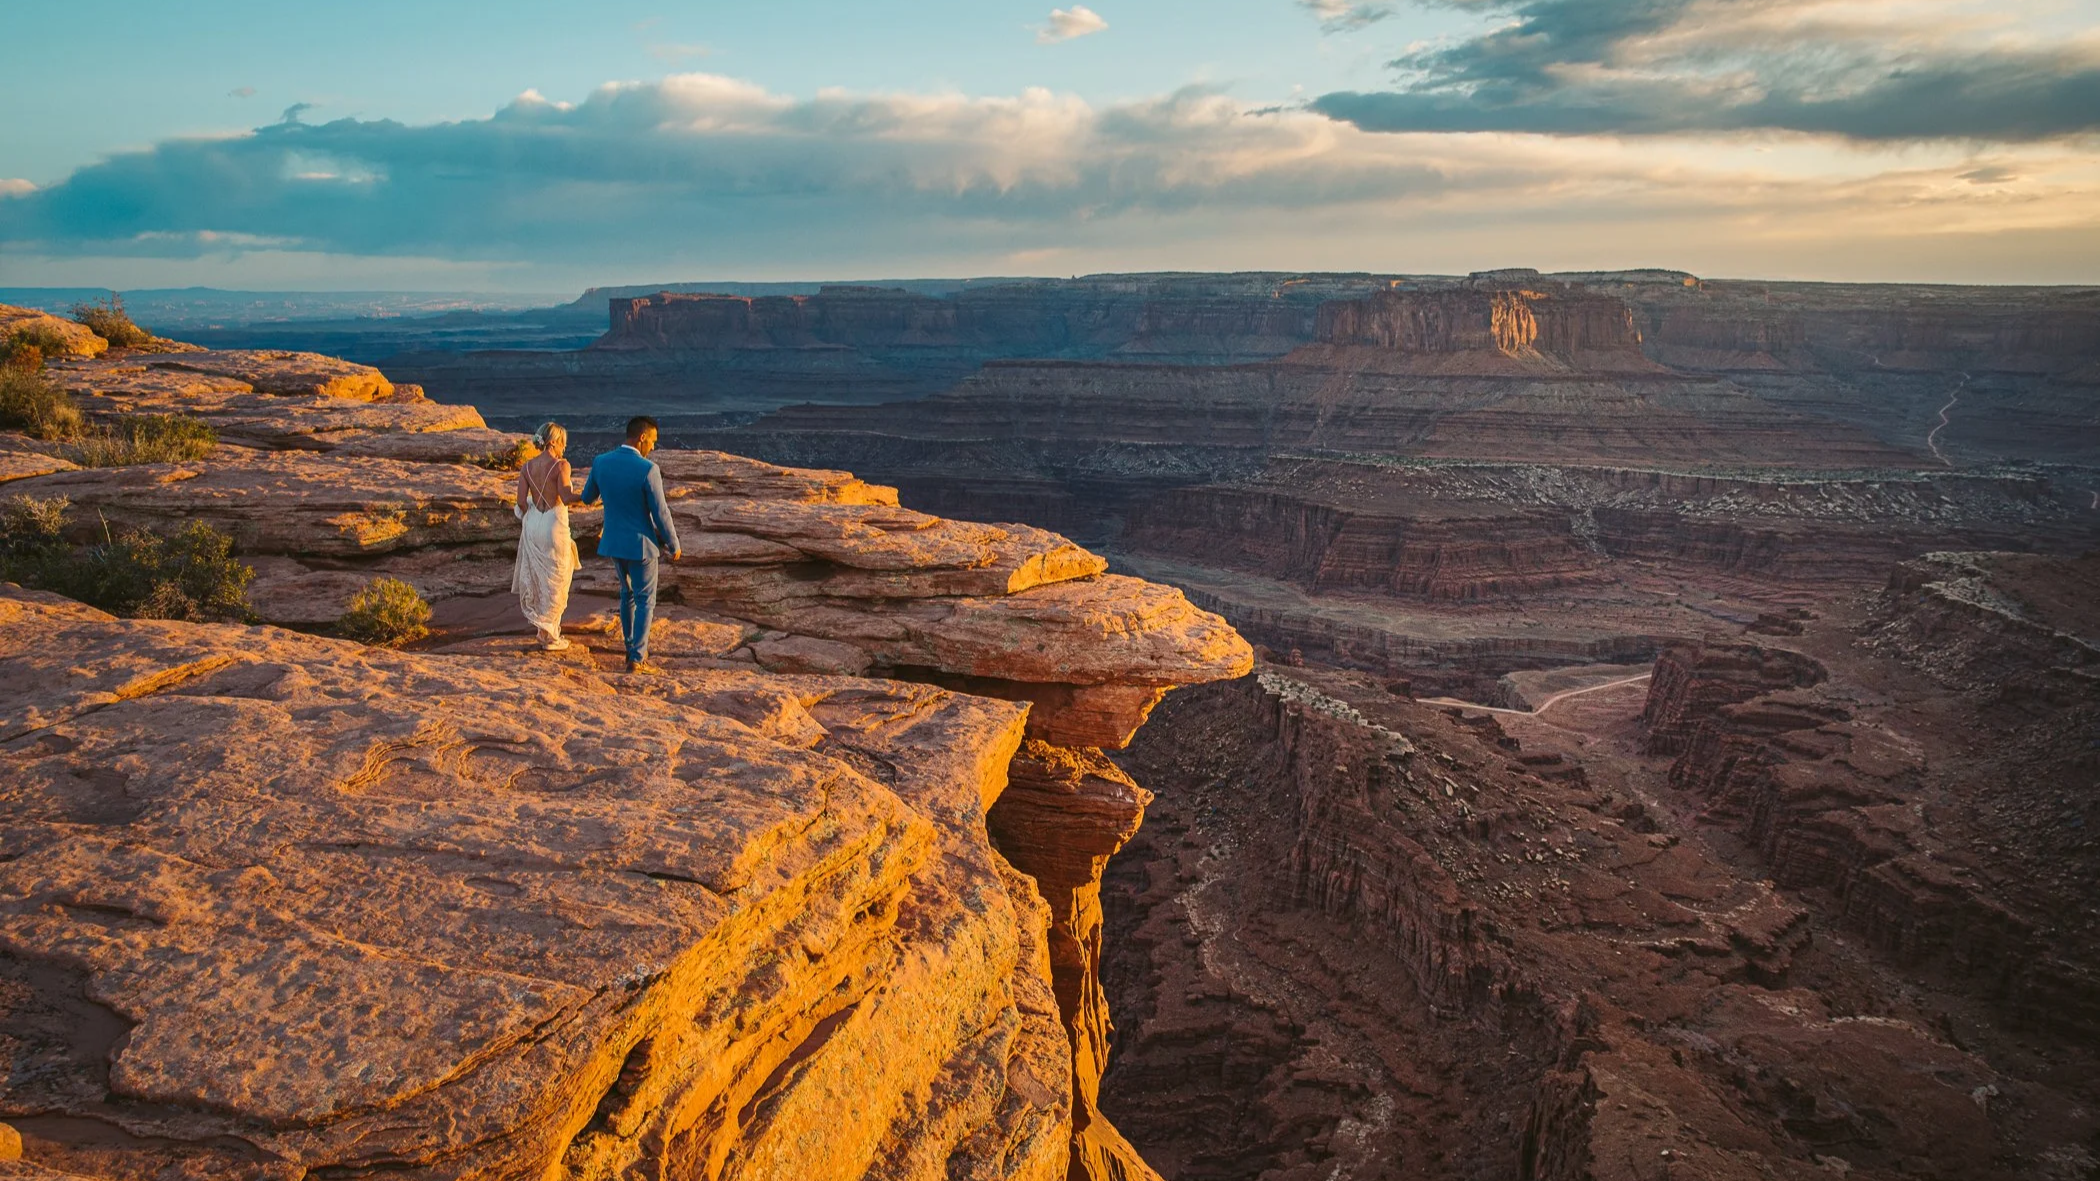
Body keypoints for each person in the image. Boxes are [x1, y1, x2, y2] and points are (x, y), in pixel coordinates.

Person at [580, 415, 682, 673]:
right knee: (646, 599)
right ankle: (637, 657)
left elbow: (587, 497)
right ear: (642, 438)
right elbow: (661, 512)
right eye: (653, 441)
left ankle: (629, 648)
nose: (654, 448)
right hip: (642, 547)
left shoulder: (601, 462)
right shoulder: (648, 469)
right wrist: (673, 543)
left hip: (614, 543)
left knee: (627, 595)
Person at [510, 422, 581, 651]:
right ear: (553, 442)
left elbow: (521, 502)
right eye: (562, 443)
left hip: (534, 524)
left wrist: (531, 511)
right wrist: (591, 494)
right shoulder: (561, 465)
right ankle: (551, 635)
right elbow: (567, 496)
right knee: (558, 577)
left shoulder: (527, 467)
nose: (564, 448)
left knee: (540, 577)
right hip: (554, 523)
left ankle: (544, 631)